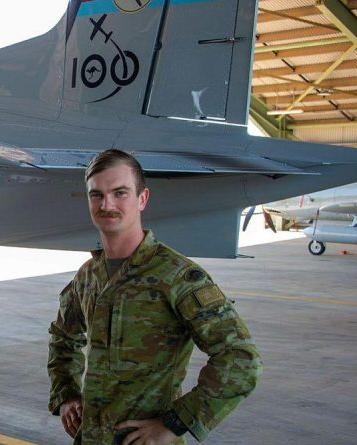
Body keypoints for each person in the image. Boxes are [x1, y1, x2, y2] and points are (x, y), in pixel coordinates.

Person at [47, 149, 262, 445]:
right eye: (96, 195)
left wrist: (175, 423)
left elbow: (240, 358)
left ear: (142, 198)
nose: (107, 204)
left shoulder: (177, 276)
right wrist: (67, 394)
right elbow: (64, 337)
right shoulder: (88, 275)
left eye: (119, 193)